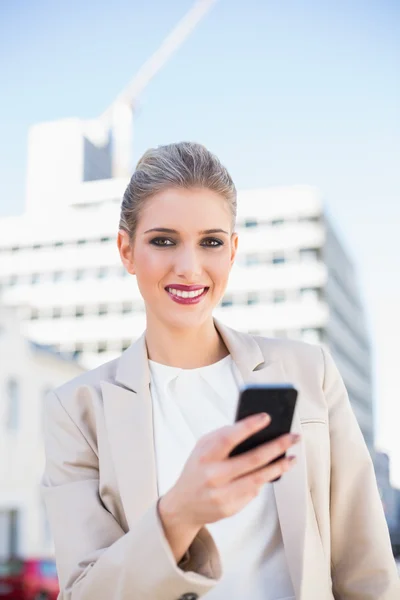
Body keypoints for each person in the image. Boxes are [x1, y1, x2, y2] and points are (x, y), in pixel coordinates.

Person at [42, 142, 400, 600]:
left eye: (210, 242)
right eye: (163, 240)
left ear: (231, 251)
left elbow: (366, 569)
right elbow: (84, 593)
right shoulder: (76, 410)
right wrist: (178, 515)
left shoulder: (308, 372)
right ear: (127, 250)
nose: (189, 268)